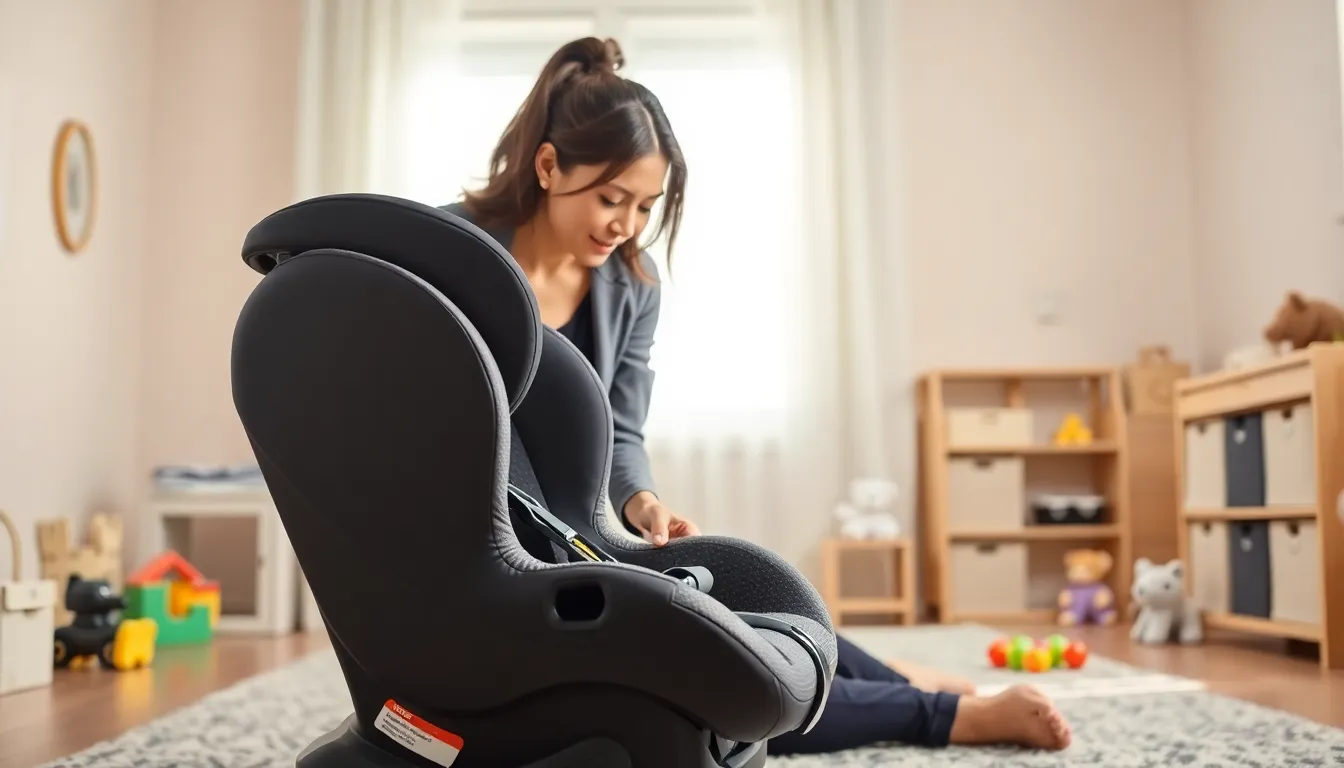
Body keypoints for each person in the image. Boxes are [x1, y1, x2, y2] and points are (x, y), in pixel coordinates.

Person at [441, 35, 1072, 756]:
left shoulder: (632, 288)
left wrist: (641, 501)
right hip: (497, 548)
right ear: (549, 166)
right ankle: (947, 716)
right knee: (699, 671)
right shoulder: (451, 255)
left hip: (585, 538)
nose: (625, 226)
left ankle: (901, 682)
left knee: (744, 597)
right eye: (611, 198)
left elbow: (619, 434)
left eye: (646, 206)